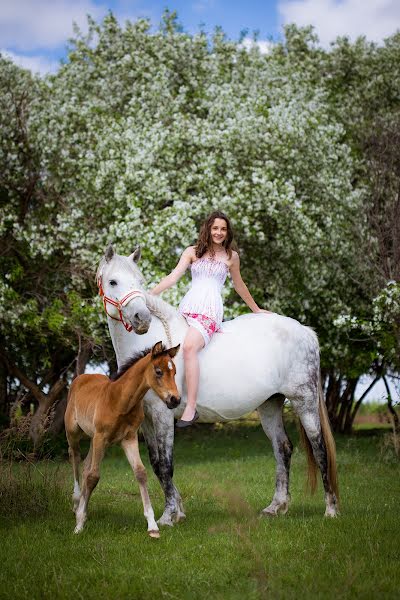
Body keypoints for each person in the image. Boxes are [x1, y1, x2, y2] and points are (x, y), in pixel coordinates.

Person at [149, 210, 270, 427]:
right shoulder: (192, 252)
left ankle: (191, 407)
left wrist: (256, 309)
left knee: (188, 348)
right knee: (170, 349)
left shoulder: (231, 257)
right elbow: (173, 277)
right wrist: (149, 296)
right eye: (215, 228)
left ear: (228, 232)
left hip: (210, 311)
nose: (219, 232)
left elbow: (239, 285)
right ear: (208, 229)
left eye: (223, 229)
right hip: (187, 308)